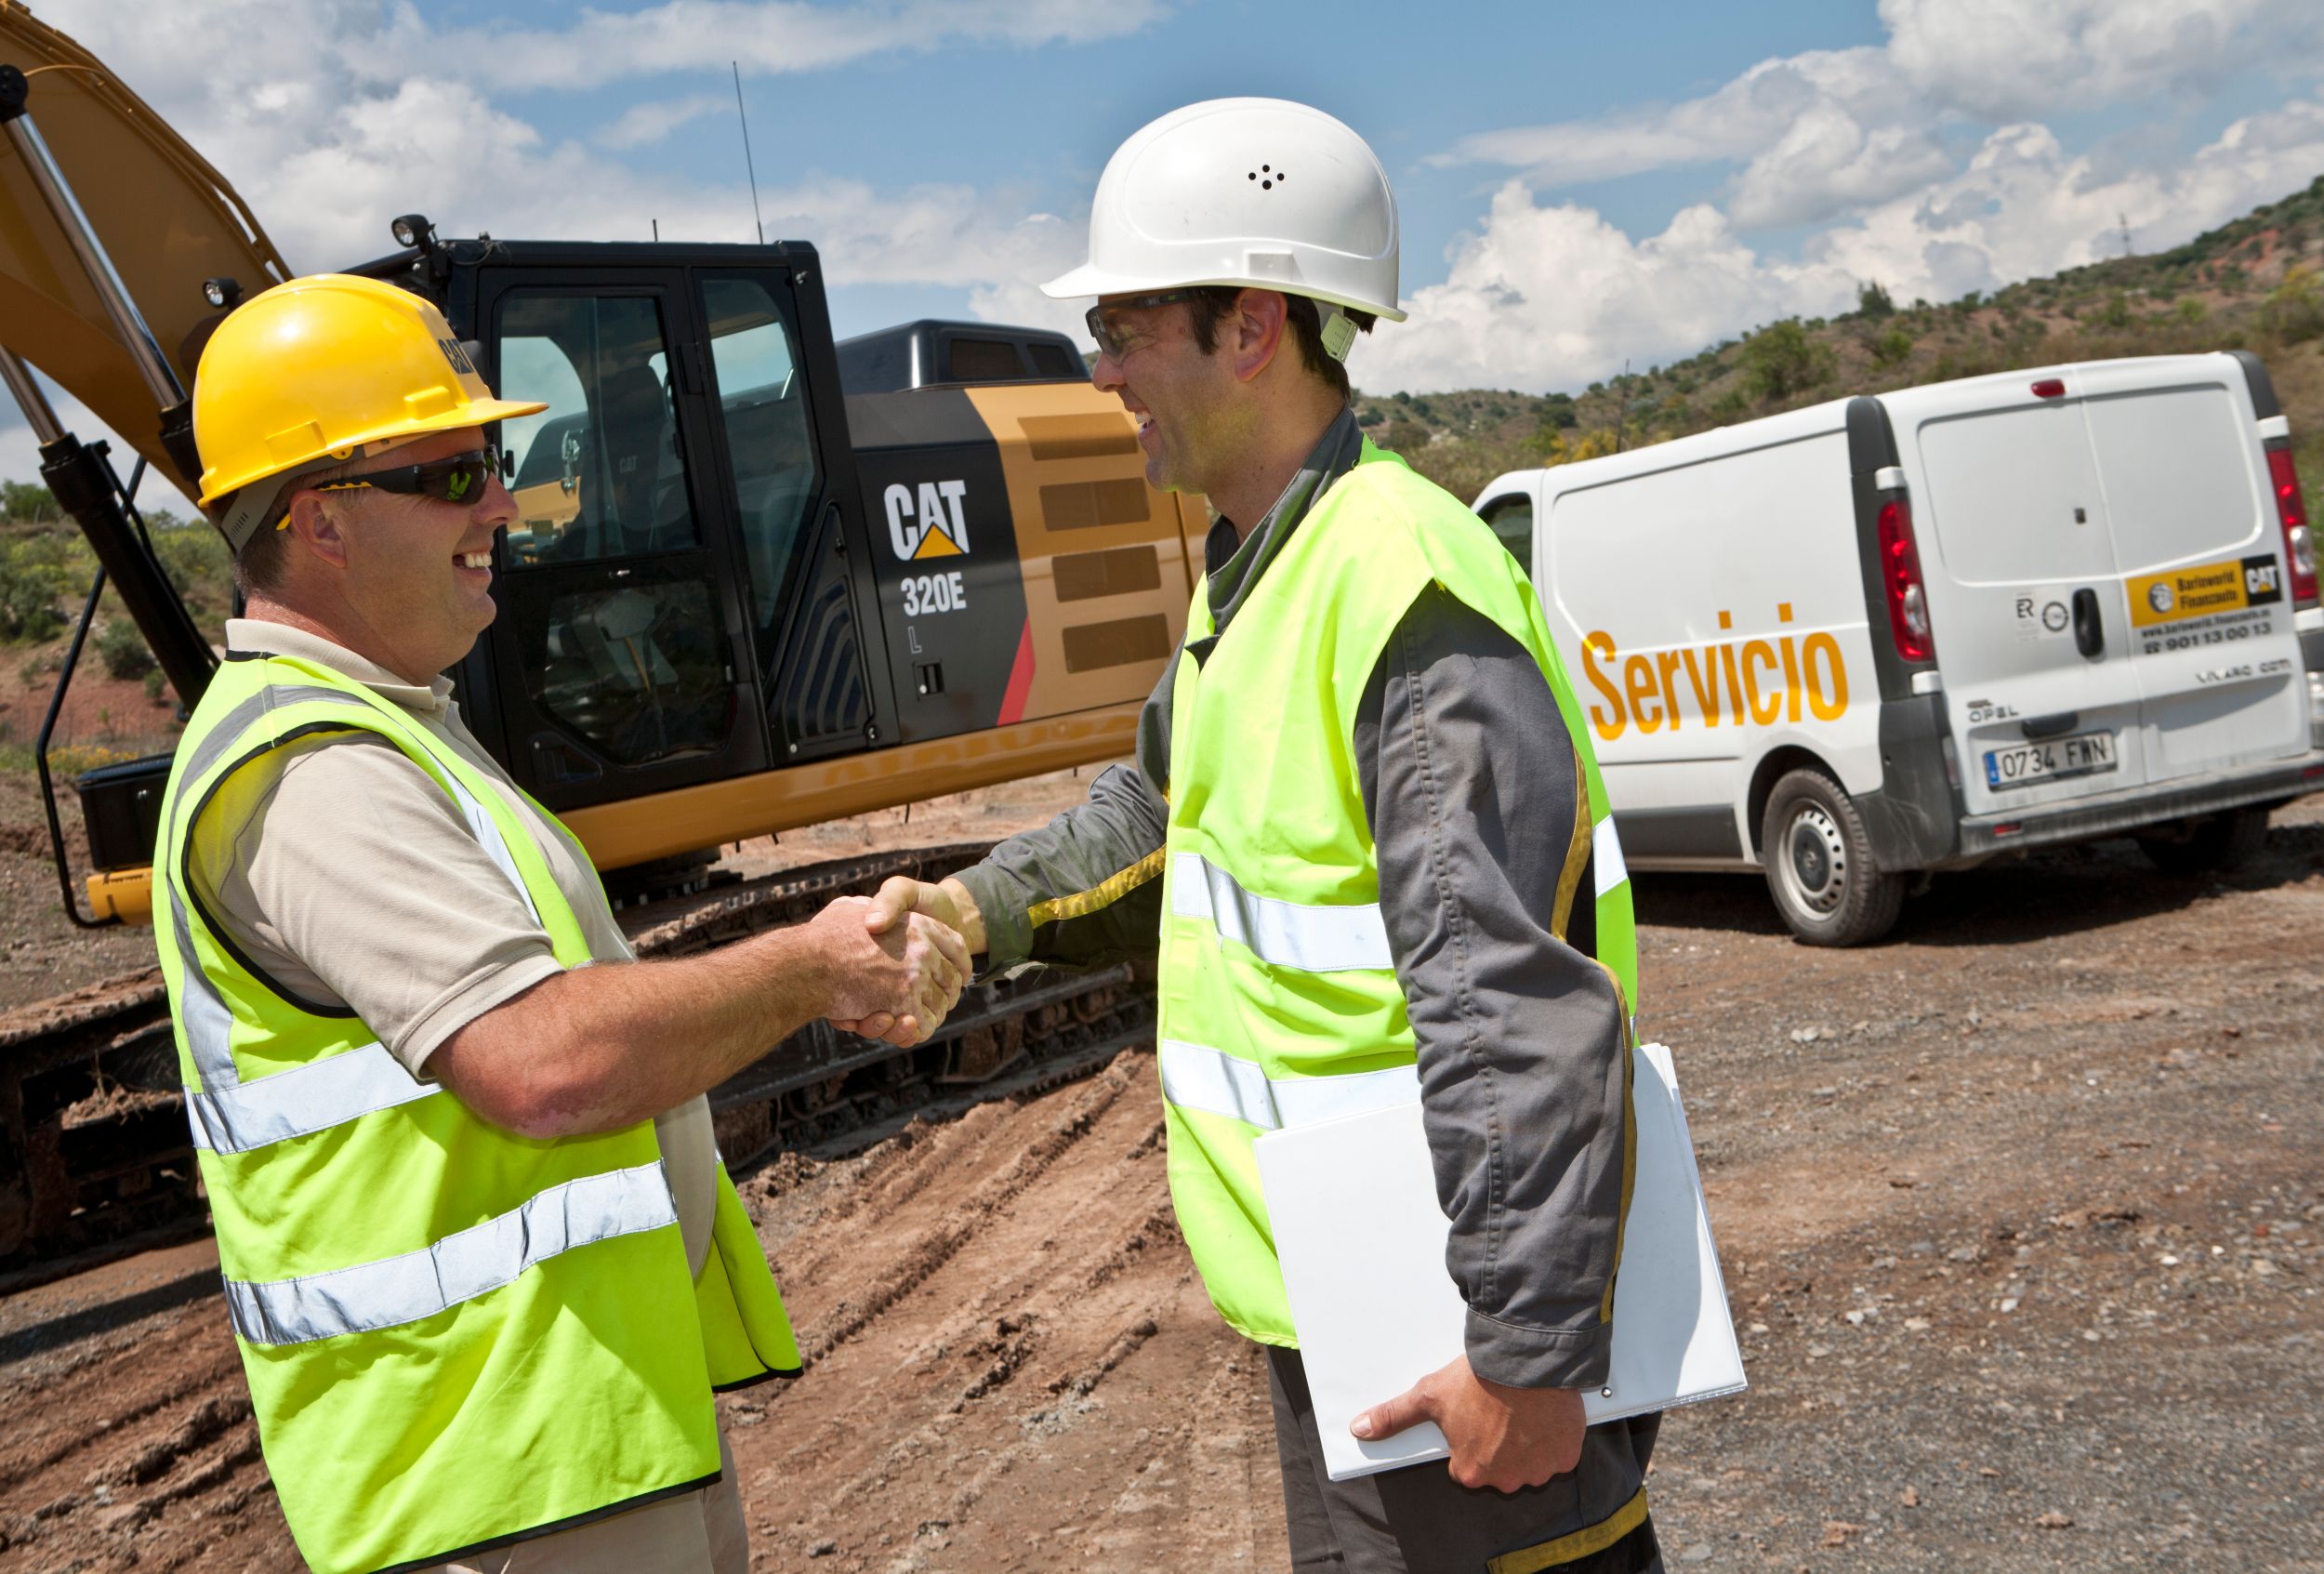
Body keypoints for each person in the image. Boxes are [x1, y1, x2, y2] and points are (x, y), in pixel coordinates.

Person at [853, 99, 1663, 1572]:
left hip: (1456, 1329)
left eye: (1123, 326)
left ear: (1252, 326)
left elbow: (1510, 998)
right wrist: (978, 911)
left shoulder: (1392, 582)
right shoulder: (1257, 574)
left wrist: (1530, 1351)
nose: (1096, 372)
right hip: (1360, 1299)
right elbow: (1160, 819)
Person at [155, 272, 968, 1574]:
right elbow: (545, 1062)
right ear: (321, 520)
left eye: (496, 457)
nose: (501, 499)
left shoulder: (396, 728)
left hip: (560, 1441)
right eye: (451, 469)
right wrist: (810, 964)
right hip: (488, 1468)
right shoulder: (314, 772)